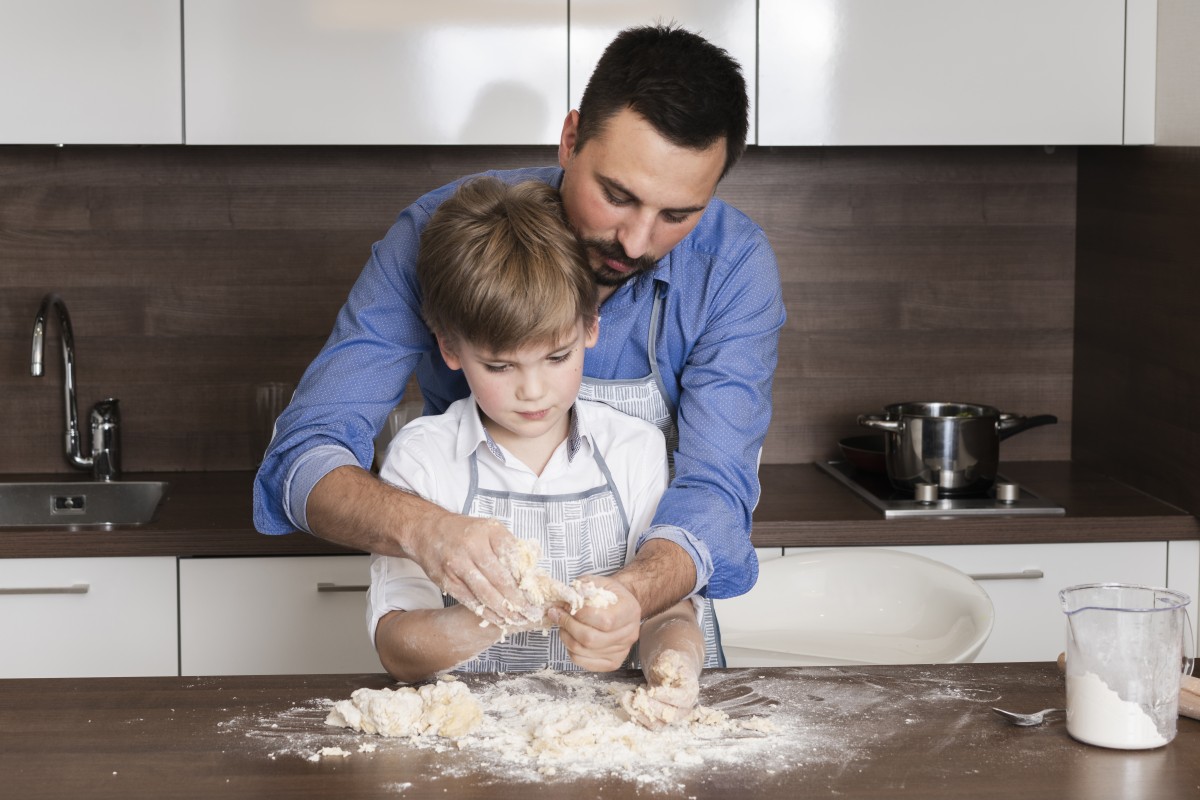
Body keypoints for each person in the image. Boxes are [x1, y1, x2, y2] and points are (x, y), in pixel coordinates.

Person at [253, 23, 785, 672]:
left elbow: (715, 490)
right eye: (617, 196)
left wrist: (631, 597)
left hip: (640, 645)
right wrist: (428, 531)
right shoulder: (443, 239)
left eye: (678, 214)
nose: (638, 242)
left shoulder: (732, 266)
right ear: (569, 140)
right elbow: (304, 453)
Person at [370, 176, 706, 725]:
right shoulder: (423, 459)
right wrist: (497, 615)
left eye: (557, 357)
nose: (532, 391)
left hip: (611, 735)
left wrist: (674, 663)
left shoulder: (634, 449)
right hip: (474, 742)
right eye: (500, 367)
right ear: (451, 349)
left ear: (591, 327)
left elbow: (669, 613)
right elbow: (398, 645)